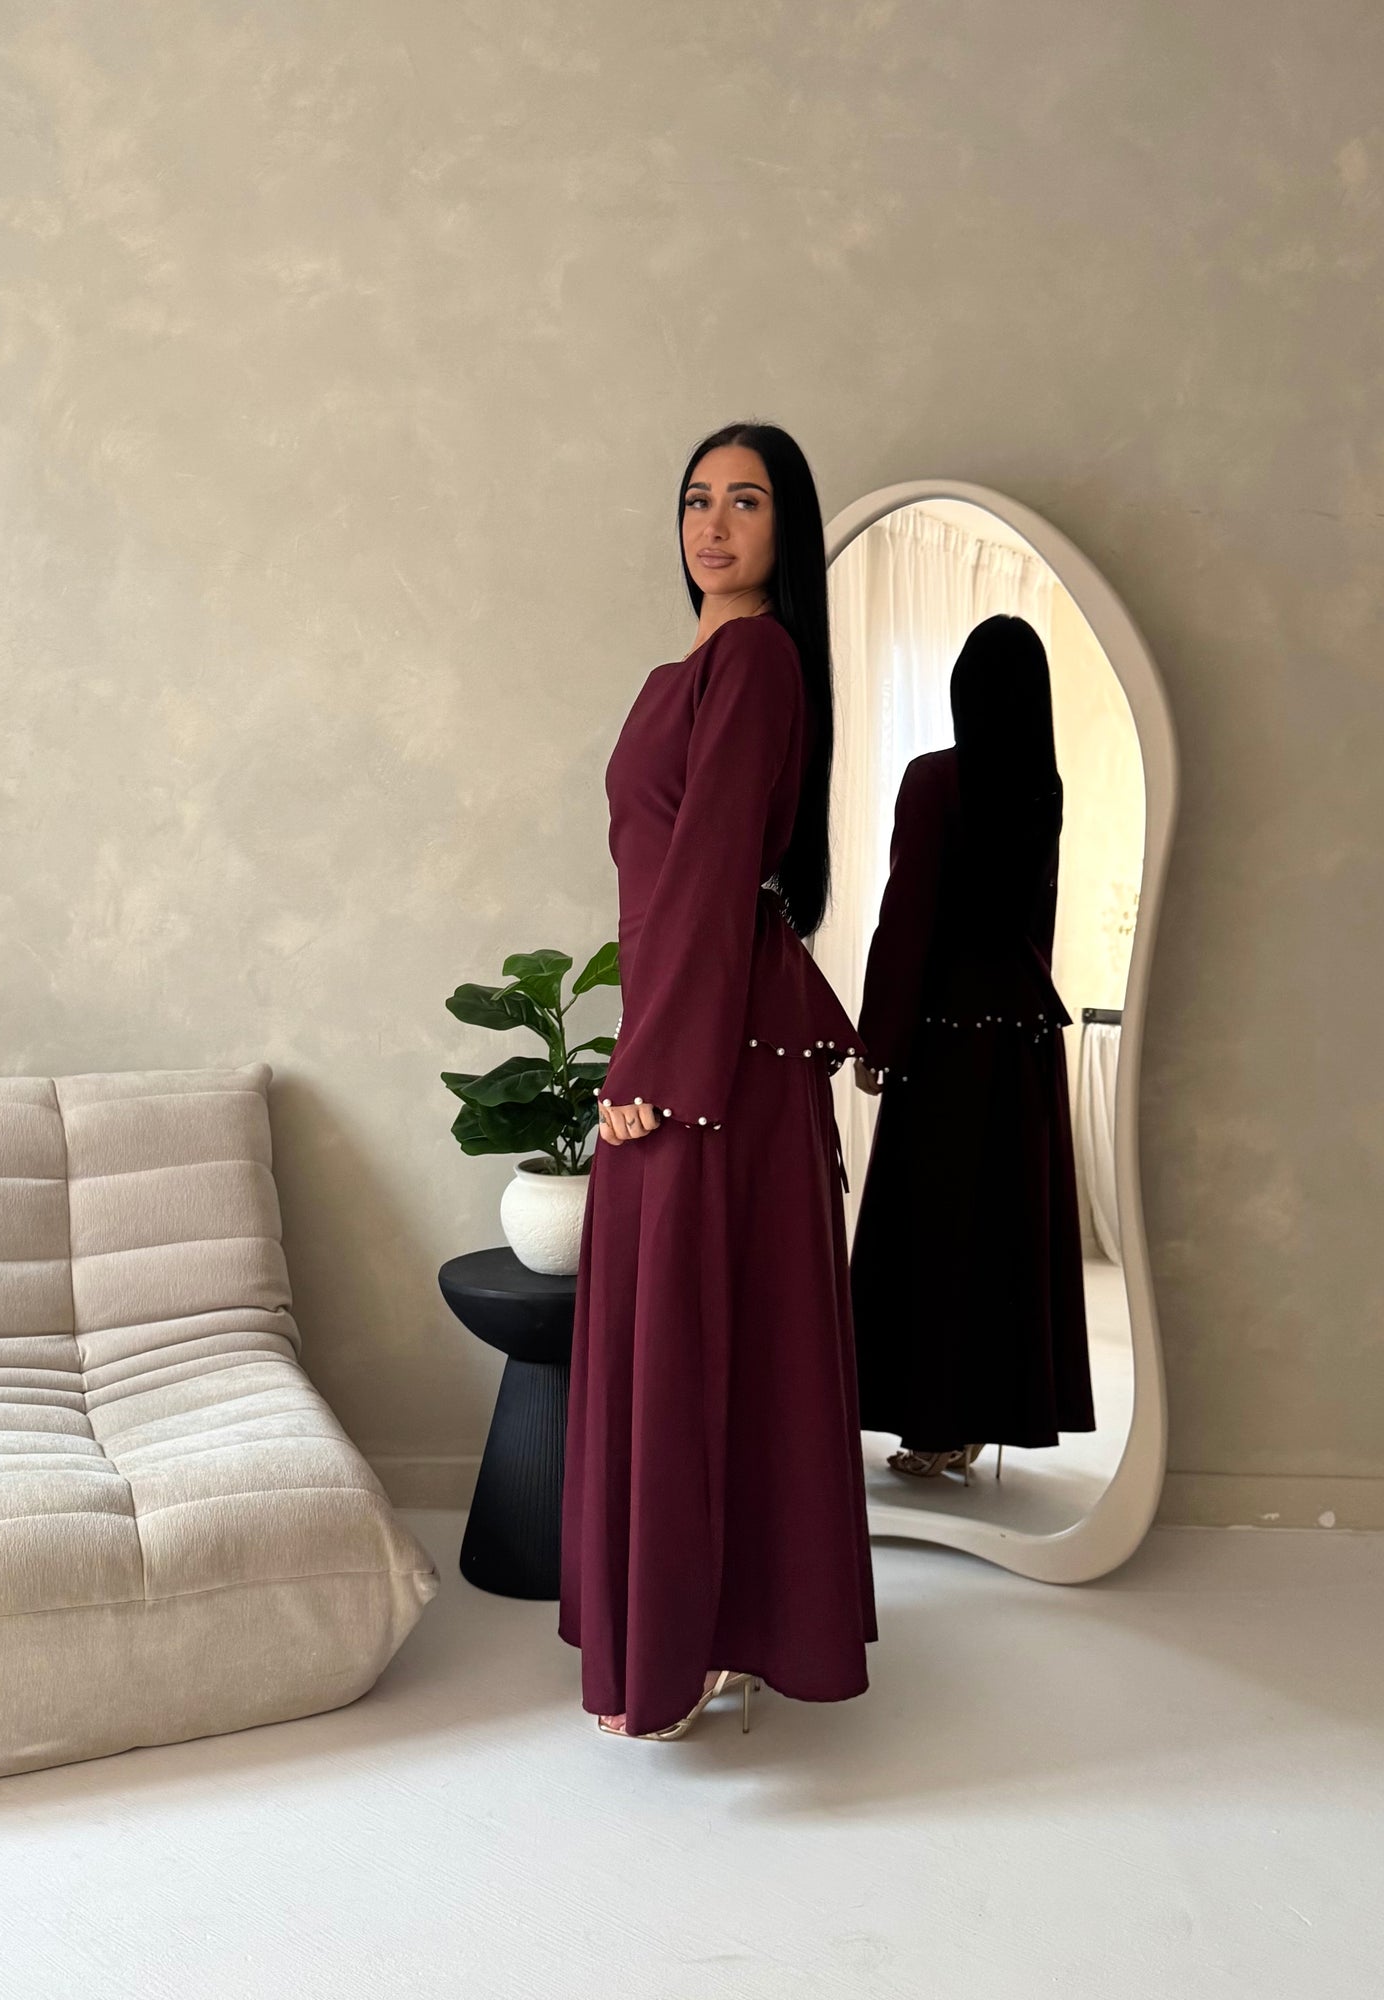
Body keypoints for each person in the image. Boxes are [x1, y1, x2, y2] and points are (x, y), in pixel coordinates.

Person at [558, 422, 878, 1740]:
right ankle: (697, 1636)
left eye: (746, 501)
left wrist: (652, 1064)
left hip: (712, 1054)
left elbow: (709, 868)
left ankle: (700, 1644)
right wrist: (646, 1040)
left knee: (702, 1335)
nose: (713, 523)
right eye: (697, 499)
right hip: (688, 1029)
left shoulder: (758, 657)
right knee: (698, 1334)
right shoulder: (676, 675)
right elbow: (658, 881)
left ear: (784, 528)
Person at [849, 615, 1095, 1480]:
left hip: (945, 1041)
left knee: (938, 1231)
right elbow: (1038, 925)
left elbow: (907, 917)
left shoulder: (934, 779)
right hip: (1023, 1040)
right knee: (999, 1236)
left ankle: (932, 1426)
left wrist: (878, 1038)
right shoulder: (1043, 787)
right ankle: (973, 1422)